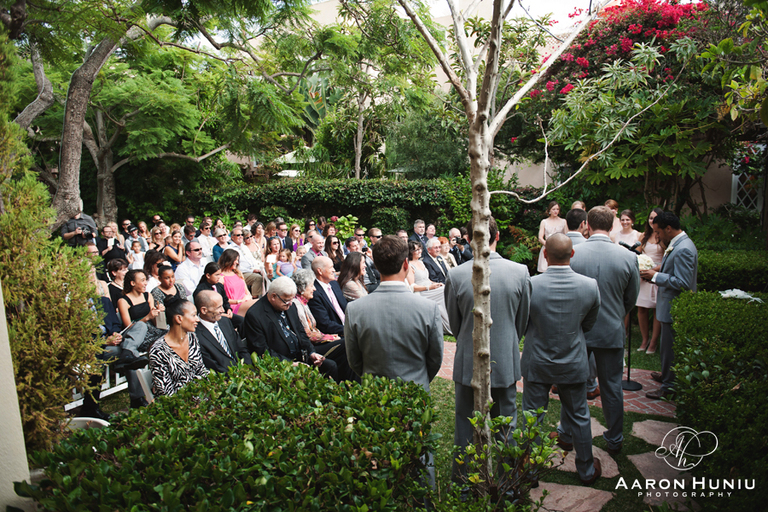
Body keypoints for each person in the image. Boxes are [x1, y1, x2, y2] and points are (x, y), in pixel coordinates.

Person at [445, 215, 531, 481]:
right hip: (505, 360)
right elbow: (522, 321)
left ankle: (463, 483)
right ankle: (509, 486)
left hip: (469, 360)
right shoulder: (520, 272)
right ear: (498, 236)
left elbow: (455, 323)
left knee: (465, 426)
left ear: (469, 239)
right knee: (507, 425)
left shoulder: (457, 275)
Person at [521, 233, 602, 485]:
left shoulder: (531, 284)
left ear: (545, 255)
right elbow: (588, 324)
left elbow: (523, 322)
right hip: (573, 360)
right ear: (573, 254)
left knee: (533, 417)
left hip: (537, 360)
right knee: (579, 415)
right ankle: (586, 470)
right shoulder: (589, 286)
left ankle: (530, 471)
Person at [570, 206, 640, 456]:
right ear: (612, 226)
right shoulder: (628, 257)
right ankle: (615, 438)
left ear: (587, 224)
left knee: (574, 384)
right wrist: (616, 315)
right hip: (611, 329)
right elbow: (631, 299)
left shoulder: (574, 253)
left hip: (579, 330)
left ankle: (570, 432)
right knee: (612, 386)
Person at [345, 235, 443, 391]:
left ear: (375, 265)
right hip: (416, 391)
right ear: (406, 264)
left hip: (374, 394)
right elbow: (435, 358)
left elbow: (355, 360)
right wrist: (419, 378)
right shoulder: (428, 308)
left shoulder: (355, 309)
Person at [640, 212, 698, 400]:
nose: (657, 236)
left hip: (675, 306)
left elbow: (683, 282)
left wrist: (655, 276)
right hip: (667, 304)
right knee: (667, 347)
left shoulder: (684, 249)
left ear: (668, 229)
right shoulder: (677, 244)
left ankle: (668, 387)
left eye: (658, 232)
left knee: (670, 347)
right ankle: (666, 376)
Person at [243, 277, 338, 381]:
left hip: (300, 356)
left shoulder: (289, 305)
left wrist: (311, 352)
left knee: (331, 365)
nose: (291, 304)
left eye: (292, 299)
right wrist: (290, 364)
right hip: (281, 363)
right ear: (274, 296)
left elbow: (301, 333)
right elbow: (262, 351)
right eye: (287, 301)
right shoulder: (255, 315)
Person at [148, 296, 209, 397]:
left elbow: (201, 369)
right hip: (176, 405)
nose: (197, 319)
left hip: (200, 395)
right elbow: (166, 393)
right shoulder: (158, 351)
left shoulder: (192, 337)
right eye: (193, 315)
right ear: (179, 319)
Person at [195, 290, 252, 373]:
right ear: (204, 310)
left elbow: (241, 348)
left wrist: (247, 367)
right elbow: (212, 366)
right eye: (218, 307)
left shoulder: (225, 321)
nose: (222, 310)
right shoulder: (196, 335)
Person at [636, 208, 665, 353]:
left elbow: (667, 259)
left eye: (655, 218)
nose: (651, 220)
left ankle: (653, 343)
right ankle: (644, 339)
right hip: (644, 275)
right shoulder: (644, 236)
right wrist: (641, 267)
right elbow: (638, 253)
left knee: (656, 309)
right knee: (641, 308)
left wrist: (653, 271)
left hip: (656, 274)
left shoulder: (664, 237)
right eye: (650, 218)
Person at [406, 241, 451, 335]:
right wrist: (429, 287)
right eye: (416, 249)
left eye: (420, 249)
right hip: (422, 292)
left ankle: (450, 322)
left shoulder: (421, 262)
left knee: (445, 288)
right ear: (411, 251)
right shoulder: (409, 266)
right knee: (443, 292)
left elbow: (428, 279)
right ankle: (447, 326)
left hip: (430, 288)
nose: (419, 251)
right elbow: (412, 286)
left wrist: (436, 284)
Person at [307, 256, 347, 337]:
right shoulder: (314, 292)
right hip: (337, 335)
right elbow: (324, 324)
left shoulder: (334, 284)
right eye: (331, 267)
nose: (334, 270)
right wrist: (349, 330)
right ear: (320, 271)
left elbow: (345, 307)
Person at [218, 249, 258, 317]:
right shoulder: (220, 277)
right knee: (259, 304)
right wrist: (239, 301)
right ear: (229, 260)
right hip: (234, 306)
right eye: (235, 260)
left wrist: (248, 297)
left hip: (246, 301)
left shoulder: (238, 273)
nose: (237, 263)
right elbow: (222, 299)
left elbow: (247, 291)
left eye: (237, 260)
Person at [230, 227, 266, 297]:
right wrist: (252, 270)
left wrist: (259, 269)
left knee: (267, 274)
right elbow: (235, 267)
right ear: (232, 237)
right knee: (258, 278)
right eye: (238, 235)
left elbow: (252, 260)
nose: (240, 236)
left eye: (241, 235)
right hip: (240, 273)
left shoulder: (244, 247)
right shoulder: (230, 249)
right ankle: (255, 300)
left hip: (251, 270)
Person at [537, 200, 568, 273]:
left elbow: (567, 236)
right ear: (549, 210)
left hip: (560, 248)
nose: (555, 211)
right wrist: (548, 245)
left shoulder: (563, 221)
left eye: (557, 209)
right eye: (553, 209)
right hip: (547, 247)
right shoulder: (544, 222)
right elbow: (540, 237)